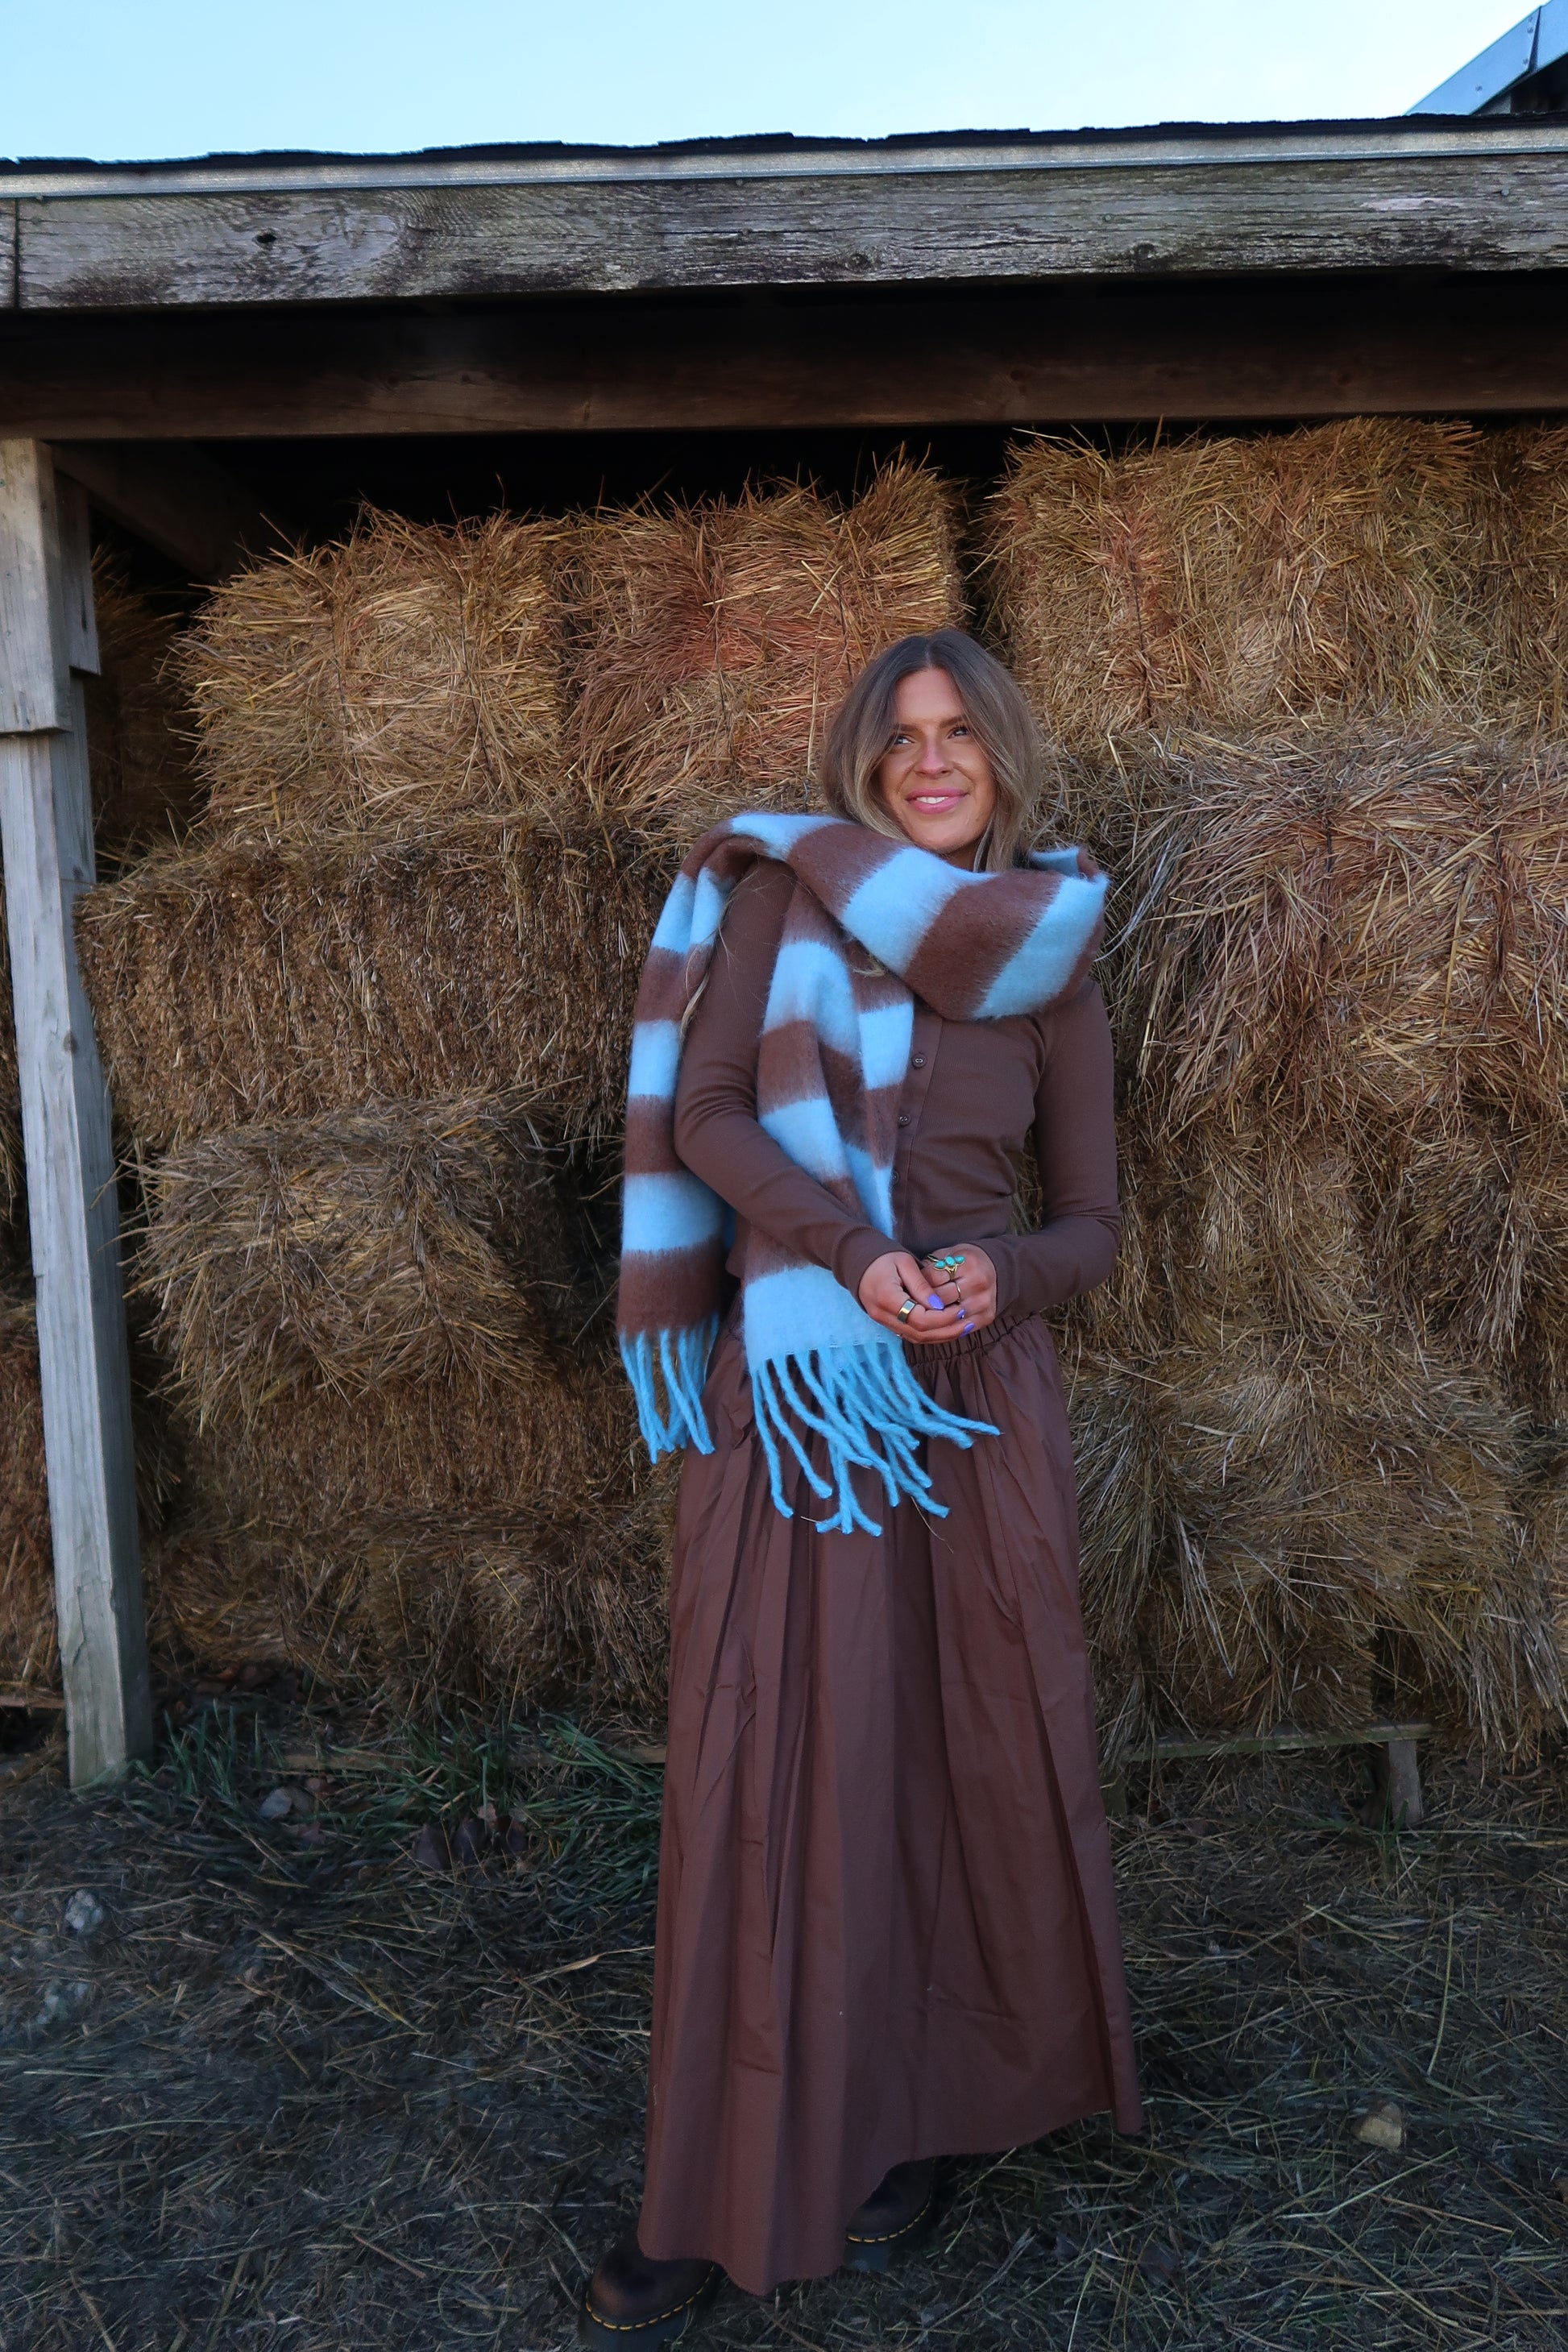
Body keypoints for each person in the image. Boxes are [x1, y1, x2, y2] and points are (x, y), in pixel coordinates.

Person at [582, 630, 1143, 2346]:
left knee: (956, 1752)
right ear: (862, 761)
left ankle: (923, 2111)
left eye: (958, 731)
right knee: (762, 1758)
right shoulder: (788, 899)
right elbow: (710, 1112)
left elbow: (1091, 1222)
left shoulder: (1051, 955)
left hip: (968, 1403)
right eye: (900, 737)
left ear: (1005, 754)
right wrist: (852, 1253)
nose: (930, 761)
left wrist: (1000, 1279)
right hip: (807, 1391)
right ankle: (710, 2179)